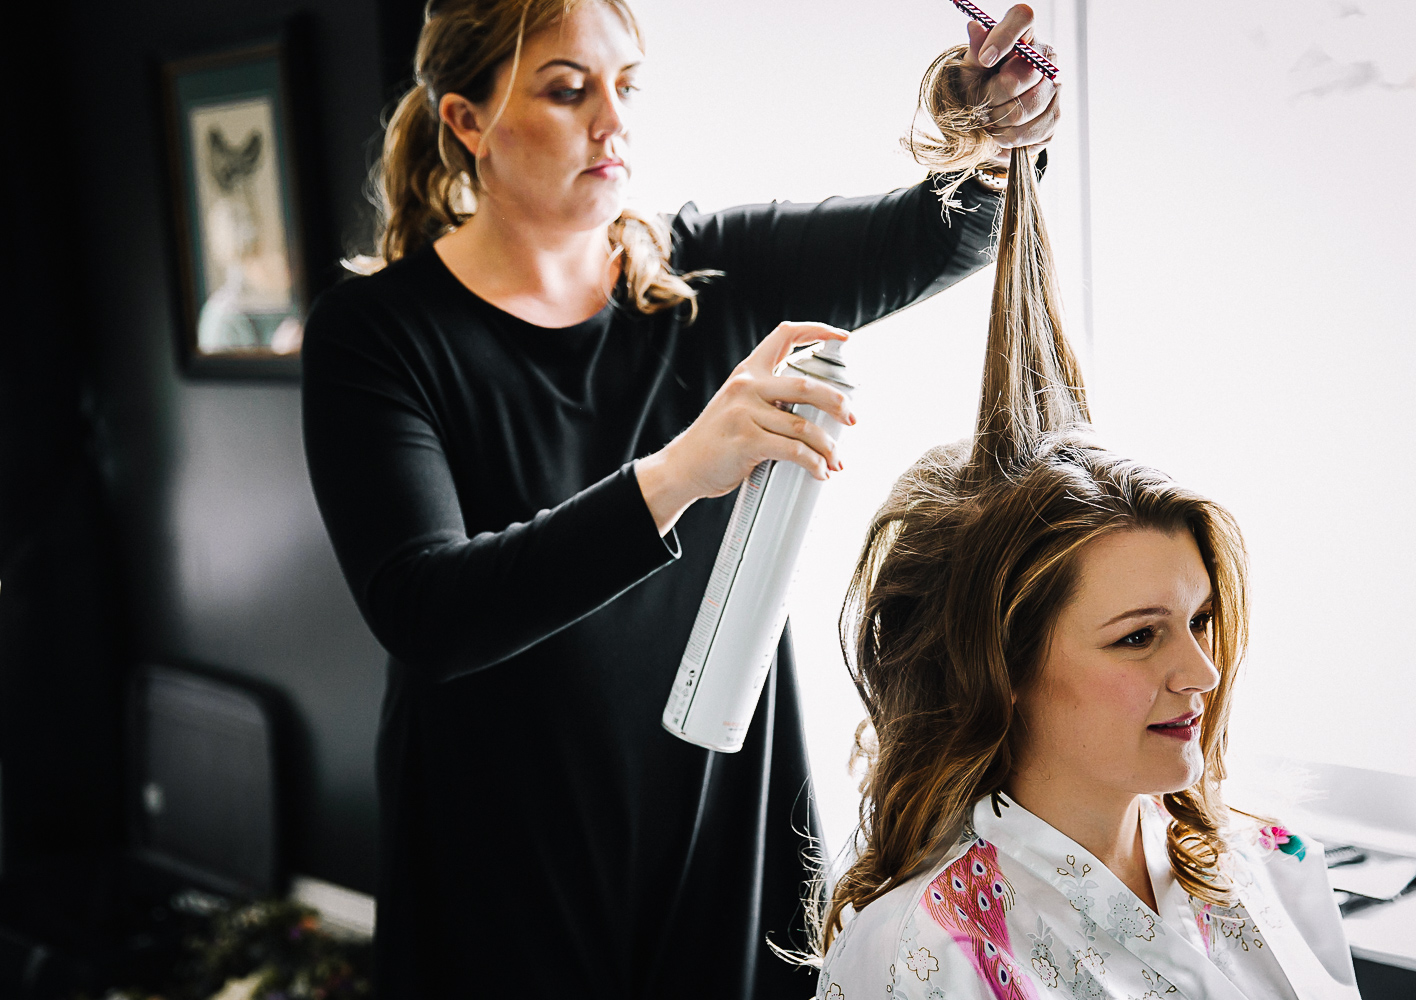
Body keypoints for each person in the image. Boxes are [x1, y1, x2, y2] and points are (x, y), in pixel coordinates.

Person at [299, 0, 1059, 994]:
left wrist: (992, 129)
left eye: (626, 86)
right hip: (502, 852)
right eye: (568, 91)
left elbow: (945, 234)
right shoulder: (378, 334)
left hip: (721, 827)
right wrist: (679, 472)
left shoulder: (713, 274)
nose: (611, 123)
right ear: (465, 123)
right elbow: (427, 611)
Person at [815, 93, 1360, 999]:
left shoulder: (1267, 863)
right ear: (1005, 663)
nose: (1201, 672)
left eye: (1199, 620)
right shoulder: (926, 953)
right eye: (1139, 636)